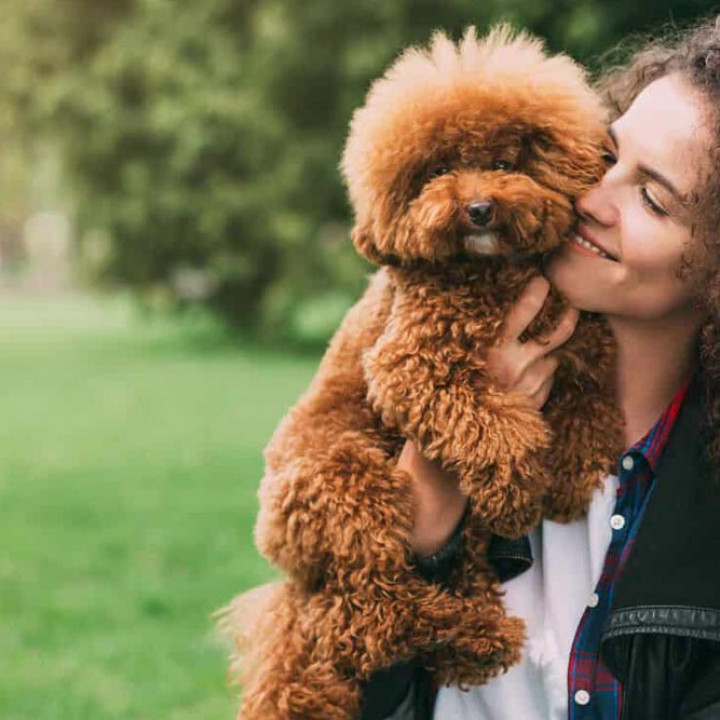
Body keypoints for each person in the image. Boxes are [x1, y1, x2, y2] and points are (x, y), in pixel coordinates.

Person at [360, 15, 720, 720]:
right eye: (606, 155)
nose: (591, 199)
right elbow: (331, 687)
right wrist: (430, 485)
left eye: (651, 198)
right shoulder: (422, 364)